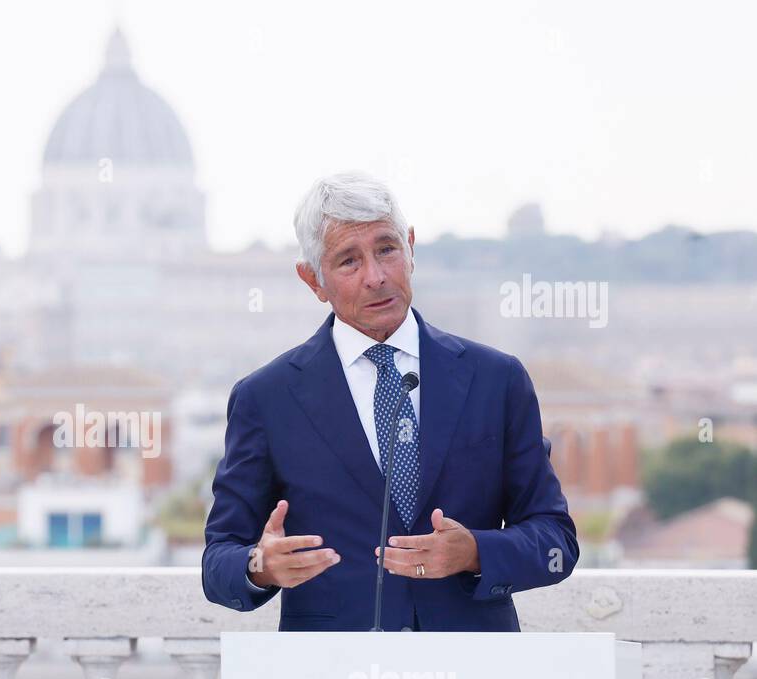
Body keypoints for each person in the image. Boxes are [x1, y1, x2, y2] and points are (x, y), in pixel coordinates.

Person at [201, 172, 578, 631]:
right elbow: (217, 563)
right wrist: (260, 565)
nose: (376, 277)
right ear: (313, 280)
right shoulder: (267, 398)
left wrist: (476, 551)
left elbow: (556, 541)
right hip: (331, 678)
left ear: (411, 248)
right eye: (348, 261)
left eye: (386, 249)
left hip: (474, 675)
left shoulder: (497, 379)